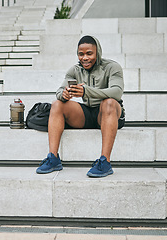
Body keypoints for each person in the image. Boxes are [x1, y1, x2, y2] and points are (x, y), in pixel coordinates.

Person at [36, 35, 125, 177]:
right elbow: (59, 91)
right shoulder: (75, 70)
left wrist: (86, 91)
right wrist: (64, 95)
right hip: (86, 114)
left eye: (89, 53)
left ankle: (105, 162)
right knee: (57, 104)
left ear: (98, 53)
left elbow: (117, 92)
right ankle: (53, 158)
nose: (85, 58)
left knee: (109, 103)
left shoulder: (112, 67)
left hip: (108, 113)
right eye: (81, 54)